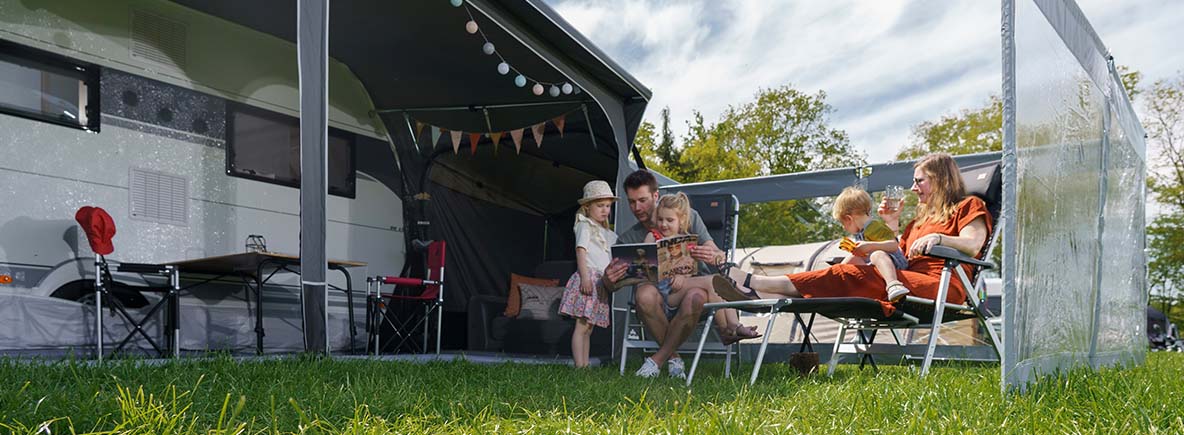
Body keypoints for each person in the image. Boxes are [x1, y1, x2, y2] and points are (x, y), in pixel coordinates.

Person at [715, 153, 991, 318]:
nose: (913, 187)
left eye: (919, 180)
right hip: (905, 281)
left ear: (940, 180)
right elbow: (899, 255)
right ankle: (761, 295)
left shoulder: (968, 206)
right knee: (849, 268)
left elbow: (973, 244)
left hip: (943, 286)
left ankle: (756, 284)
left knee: (850, 275)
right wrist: (891, 222)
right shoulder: (919, 221)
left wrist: (940, 239)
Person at [602, 170, 755, 379]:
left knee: (701, 291)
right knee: (644, 294)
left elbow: (718, 255)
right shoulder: (631, 236)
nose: (637, 208)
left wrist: (712, 255)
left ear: (655, 196)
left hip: (691, 291)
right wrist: (608, 279)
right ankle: (675, 357)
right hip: (657, 294)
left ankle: (663, 359)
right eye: (631, 202)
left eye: (642, 200)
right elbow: (613, 285)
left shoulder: (685, 215)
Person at [558, 180, 618, 368]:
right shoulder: (585, 225)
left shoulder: (607, 232)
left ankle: (584, 365)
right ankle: (579, 366)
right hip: (589, 277)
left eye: (608, 206)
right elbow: (581, 250)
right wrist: (584, 277)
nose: (605, 210)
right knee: (582, 325)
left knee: (589, 327)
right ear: (587, 207)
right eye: (600, 206)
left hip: (600, 281)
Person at [833, 186, 911, 302]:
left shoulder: (874, 227)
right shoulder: (861, 231)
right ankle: (836, 278)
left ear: (849, 219)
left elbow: (893, 245)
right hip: (876, 263)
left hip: (893, 262)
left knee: (877, 254)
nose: (844, 228)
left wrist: (870, 246)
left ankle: (893, 284)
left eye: (843, 223)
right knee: (853, 258)